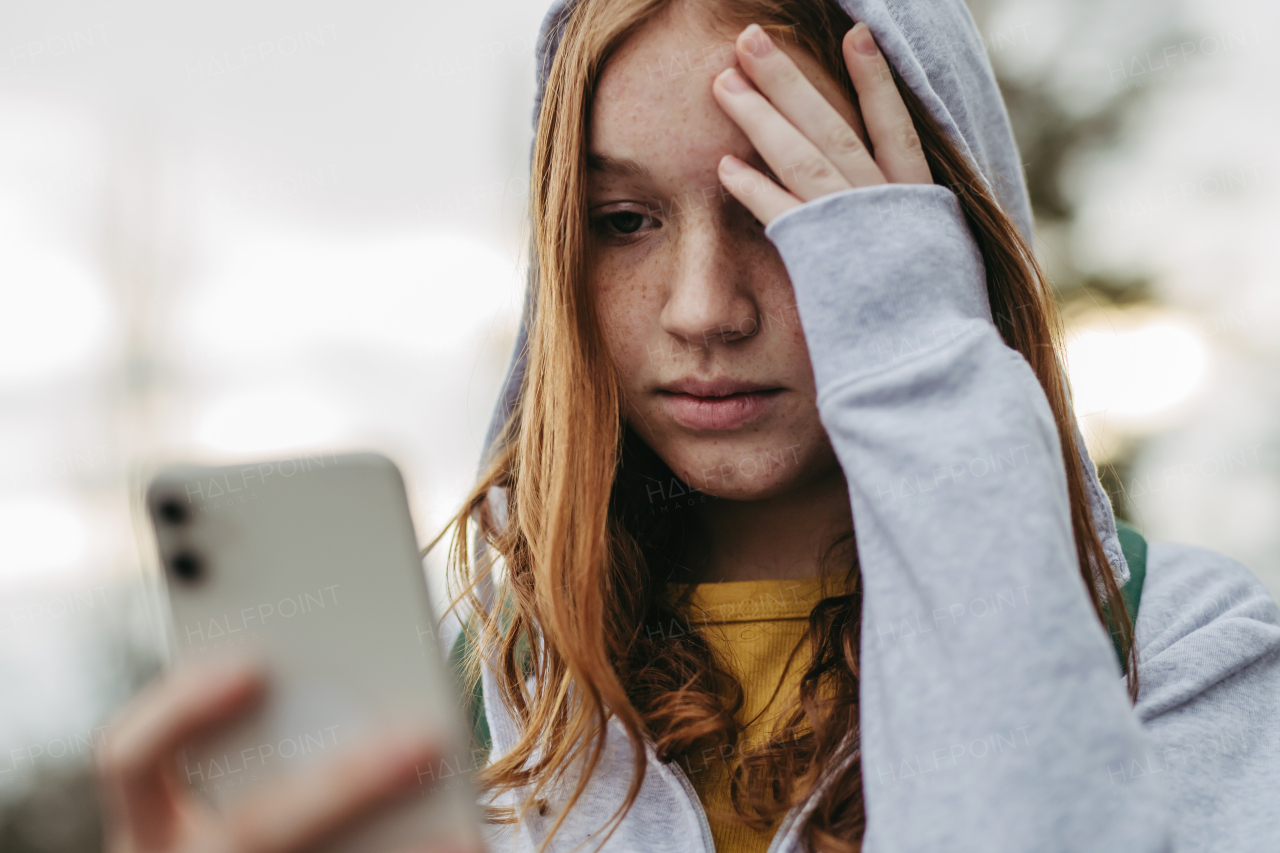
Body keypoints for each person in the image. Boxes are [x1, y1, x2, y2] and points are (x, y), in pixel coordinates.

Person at [97, 1, 1280, 852]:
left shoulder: (1178, 650)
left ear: (931, 238)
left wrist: (915, 352)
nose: (703, 310)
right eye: (622, 221)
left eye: (786, 206)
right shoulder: (476, 712)